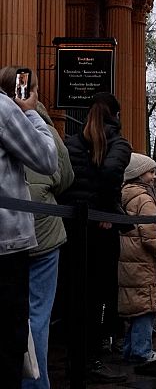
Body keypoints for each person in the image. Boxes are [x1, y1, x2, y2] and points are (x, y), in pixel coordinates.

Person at [0, 66, 72, 389]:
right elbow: (52, 162)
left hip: (21, 236)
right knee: (28, 324)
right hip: (13, 240)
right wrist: (32, 114)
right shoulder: (9, 111)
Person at [59, 92, 131, 383]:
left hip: (73, 228)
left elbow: (64, 178)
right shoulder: (119, 143)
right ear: (115, 115)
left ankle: (74, 357)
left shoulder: (71, 143)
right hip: (101, 231)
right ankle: (92, 358)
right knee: (101, 294)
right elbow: (111, 173)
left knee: (75, 293)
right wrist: (104, 209)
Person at [119, 153, 156, 363]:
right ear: (140, 174)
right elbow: (151, 236)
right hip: (144, 263)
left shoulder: (125, 195)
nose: (153, 176)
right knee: (146, 306)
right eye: (150, 172)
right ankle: (142, 351)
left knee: (135, 307)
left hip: (129, 261)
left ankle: (130, 349)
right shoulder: (143, 199)